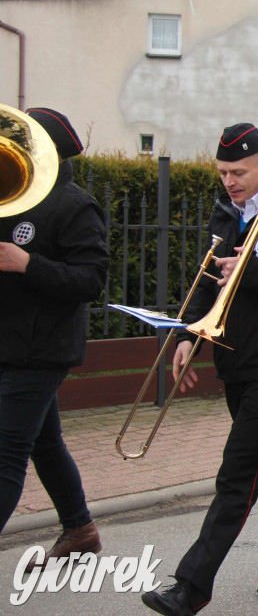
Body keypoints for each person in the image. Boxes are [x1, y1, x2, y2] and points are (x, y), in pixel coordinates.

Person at [142, 124, 258, 616]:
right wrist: (186, 336)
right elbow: (209, 279)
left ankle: (191, 586)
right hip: (233, 356)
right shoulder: (226, 211)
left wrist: (251, 268)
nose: (229, 181)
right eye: (223, 172)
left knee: (239, 470)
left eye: (239, 172)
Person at [0, 107, 107, 562]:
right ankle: (80, 529)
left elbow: (90, 279)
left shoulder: (74, 205)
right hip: (8, 341)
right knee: (44, 442)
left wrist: (29, 264)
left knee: (7, 450)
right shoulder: (10, 197)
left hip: (40, 349)